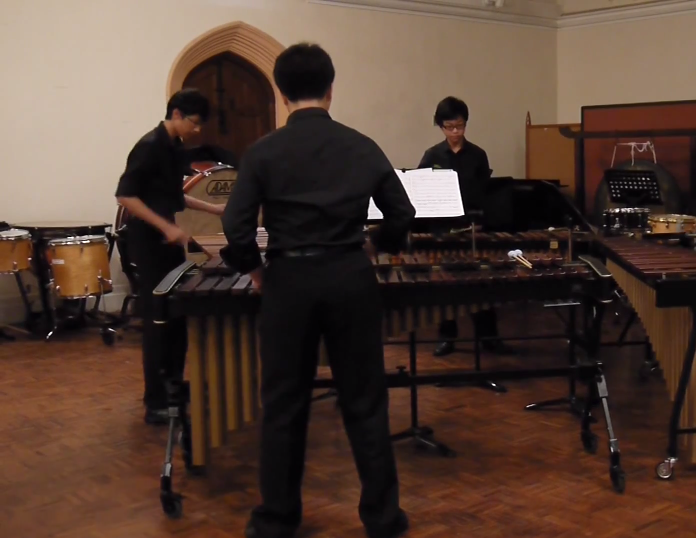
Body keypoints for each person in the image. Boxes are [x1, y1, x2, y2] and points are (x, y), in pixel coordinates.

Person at [220, 43, 414, 538]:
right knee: (365, 402)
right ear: (331, 89)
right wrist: (375, 245)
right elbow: (402, 213)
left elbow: (236, 227)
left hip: (289, 282)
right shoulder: (361, 145)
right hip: (349, 277)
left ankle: (277, 520)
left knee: (283, 404)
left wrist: (256, 272)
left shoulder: (262, 151)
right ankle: (383, 519)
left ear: (282, 94)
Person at [114, 88, 224, 425]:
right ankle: (155, 401)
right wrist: (166, 227)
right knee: (157, 320)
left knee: (177, 315)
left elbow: (174, 195)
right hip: (148, 243)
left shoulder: (175, 147)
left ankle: (174, 385)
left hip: (167, 242)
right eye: (194, 122)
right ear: (176, 114)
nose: (197, 130)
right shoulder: (149, 146)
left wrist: (214, 208)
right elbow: (125, 197)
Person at [417, 96, 512, 356]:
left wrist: (481, 221)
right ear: (440, 126)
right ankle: (446, 337)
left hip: (472, 228)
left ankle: (488, 337)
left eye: (459, 126)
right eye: (449, 127)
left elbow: (486, 195)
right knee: (445, 286)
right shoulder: (432, 155)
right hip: (443, 230)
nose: (455, 132)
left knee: (482, 284)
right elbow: (423, 192)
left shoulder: (478, 155)